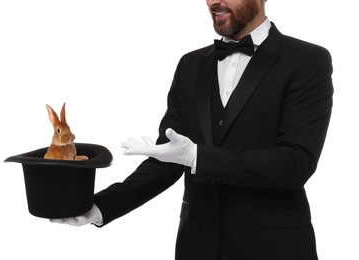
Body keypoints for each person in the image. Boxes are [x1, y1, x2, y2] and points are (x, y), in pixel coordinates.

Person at [51, 0, 333, 259]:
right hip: (197, 247)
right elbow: (167, 162)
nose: (213, 2)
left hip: (275, 249)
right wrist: (99, 207)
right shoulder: (190, 64)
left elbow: (296, 164)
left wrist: (198, 157)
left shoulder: (307, 60)